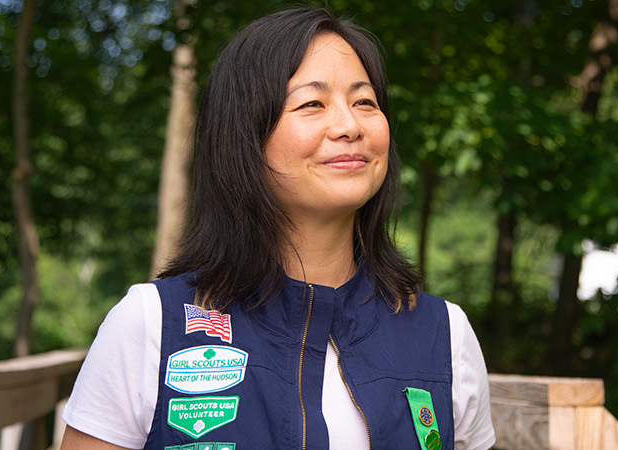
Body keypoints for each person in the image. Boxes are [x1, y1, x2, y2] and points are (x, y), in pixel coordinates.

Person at [59, 7, 495, 450]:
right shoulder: (151, 324)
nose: (350, 126)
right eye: (312, 103)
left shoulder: (445, 334)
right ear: (244, 133)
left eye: (365, 102)